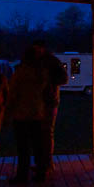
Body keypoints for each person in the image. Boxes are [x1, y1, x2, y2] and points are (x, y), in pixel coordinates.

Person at [6, 47, 49, 183]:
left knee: (23, 147)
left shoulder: (20, 72)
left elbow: (12, 92)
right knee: (38, 145)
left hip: (21, 114)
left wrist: (9, 111)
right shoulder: (41, 72)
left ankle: (22, 174)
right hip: (37, 113)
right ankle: (41, 173)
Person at [32, 40, 67, 178]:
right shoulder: (36, 62)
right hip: (37, 101)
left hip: (49, 101)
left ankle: (47, 164)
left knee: (46, 133)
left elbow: (64, 78)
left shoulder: (52, 62)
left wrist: (48, 81)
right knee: (39, 133)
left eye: (38, 48)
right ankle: (42, 162)